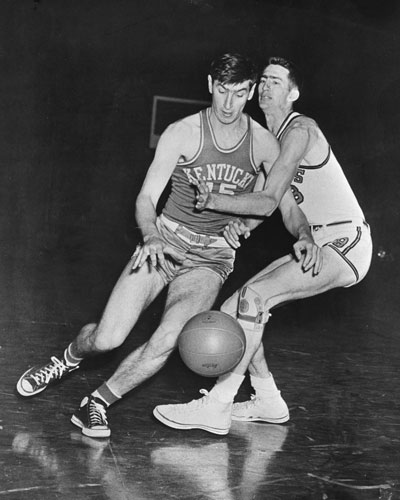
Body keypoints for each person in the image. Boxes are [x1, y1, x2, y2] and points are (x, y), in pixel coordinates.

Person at [16, 53, 297, 438]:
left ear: (250, 92)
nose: (229, 104)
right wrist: (150, 235)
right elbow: (146, 198)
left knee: (168, 338)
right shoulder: (183, 132)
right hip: (165, 241)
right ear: (210, 85)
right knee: (107, 339)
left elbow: (276, 201)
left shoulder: (263, 144)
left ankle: (96, 403)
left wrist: (252, 224)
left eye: (239, 93)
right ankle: (66, 359)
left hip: (212, 257)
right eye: (222, 91)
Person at [153, 56, 372, 434]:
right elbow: (267, 205)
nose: (268, 87)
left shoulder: (301, 129)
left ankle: (217, 405)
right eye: (265, 81)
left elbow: (268, 199)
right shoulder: (268, 143)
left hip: (345, 241)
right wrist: (241, 226)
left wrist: (213, 200)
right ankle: (268, 399)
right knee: (236, 307)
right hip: (317, 239)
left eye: (277, 81)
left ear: (294, 93)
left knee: (254, 299)